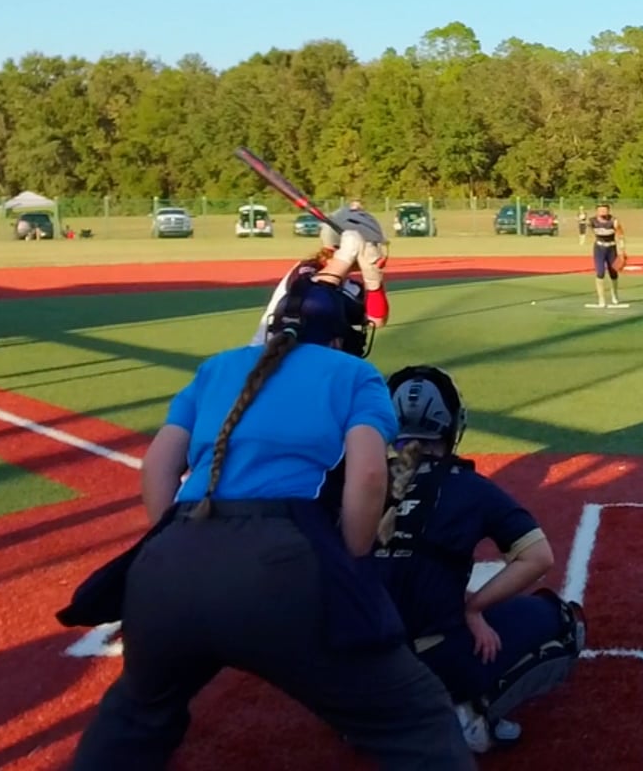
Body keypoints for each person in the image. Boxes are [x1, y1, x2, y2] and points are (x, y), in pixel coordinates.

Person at [71, 270, 475, 771]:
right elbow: (371, 474)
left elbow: (157, 467)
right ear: (341, 336)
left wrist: (180, 539)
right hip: (283, 561)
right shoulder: (353, 374)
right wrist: (349, 559)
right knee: (417, 721)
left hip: (165, 567)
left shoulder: (215, 368)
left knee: (133, 721)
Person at [371, 365, 585, 755]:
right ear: (452, 424)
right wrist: (473, 608)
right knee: (566, 623)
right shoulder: (469, 487)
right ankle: (467, 712)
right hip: (432, 659)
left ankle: (368, 715)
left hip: (358, 664)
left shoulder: (359, 484)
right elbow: (538, 557)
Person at [321, 200, 392, 327]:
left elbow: (376, 321)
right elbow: (316, 295)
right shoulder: (305, 271)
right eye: (372, 246)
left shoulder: (352, 288)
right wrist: (346, 256)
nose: (376, 253)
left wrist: (373, 283)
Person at [588, 203, 626, 308]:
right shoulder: (592, 221)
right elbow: (591, 231)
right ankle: (601, 299)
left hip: (611, 248)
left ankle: (615, 294)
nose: (603, 212)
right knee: (600, 272)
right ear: (597, 211)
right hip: (599, 248)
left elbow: (620, 235)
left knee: (613, 272)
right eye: (600, 210)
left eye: (605, 210)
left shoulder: (614, 221)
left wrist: (622, 250)